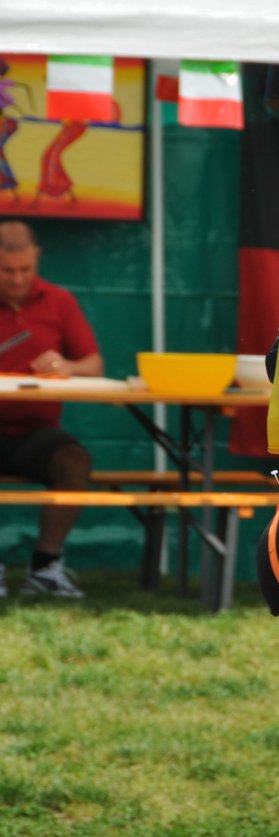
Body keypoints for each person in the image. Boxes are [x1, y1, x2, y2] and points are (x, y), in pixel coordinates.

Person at [0, 219, 103, 597]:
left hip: (35, 434)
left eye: (25, 269)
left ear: (37, 260)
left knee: (73, 461)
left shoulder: (59, 301)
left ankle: (44, 569)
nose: (16, 279)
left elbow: (94, 365)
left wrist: (67, 366)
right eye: (7, 270)